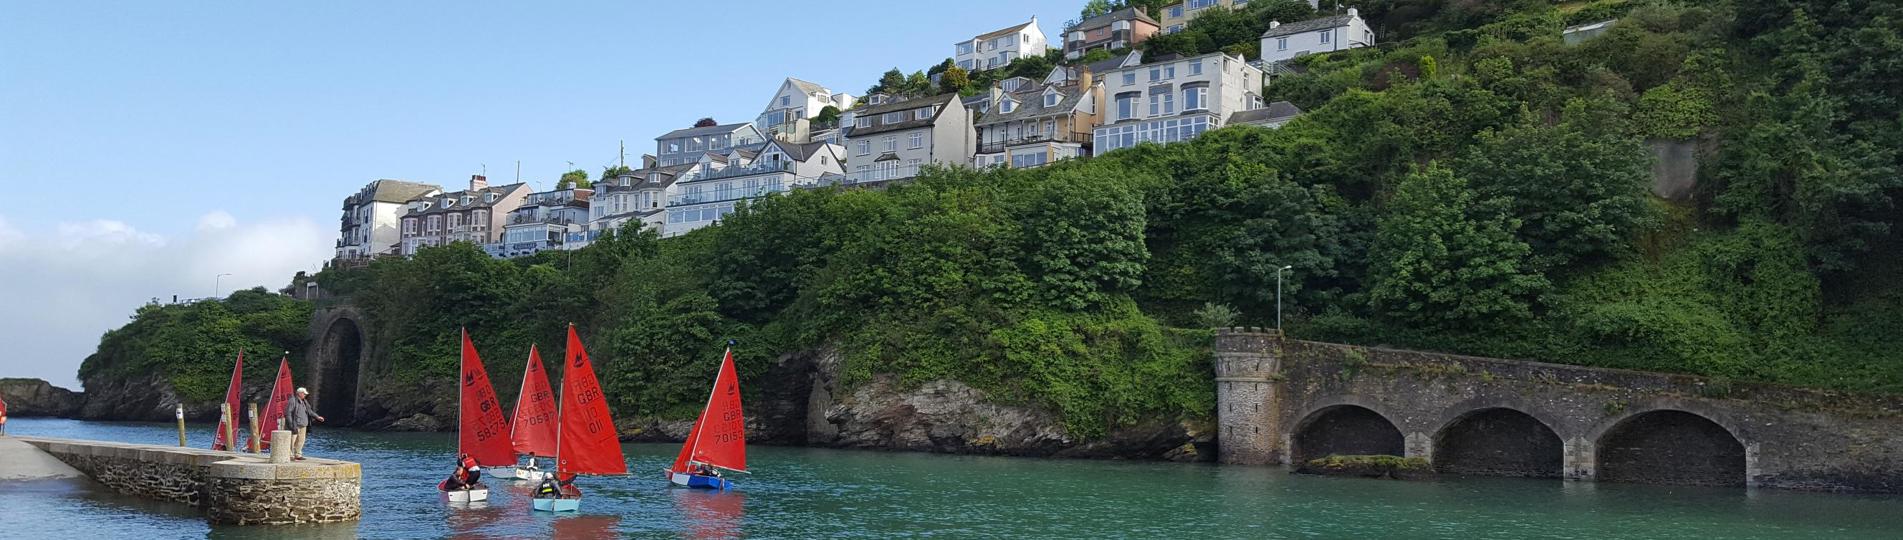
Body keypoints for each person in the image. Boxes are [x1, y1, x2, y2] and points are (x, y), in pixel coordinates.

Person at [282, 387, 325, 460]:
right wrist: (291, 424)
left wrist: (317, 417)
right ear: (299, 393)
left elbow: (310, 411)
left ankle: (298, 454)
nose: (305, 395)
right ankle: (289, 455)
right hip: (295, 424)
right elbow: (288, 413)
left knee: (301, 440)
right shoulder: (292, 401)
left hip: (303, 425)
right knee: (292, 440)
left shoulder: (305, 402)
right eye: (304, 394)